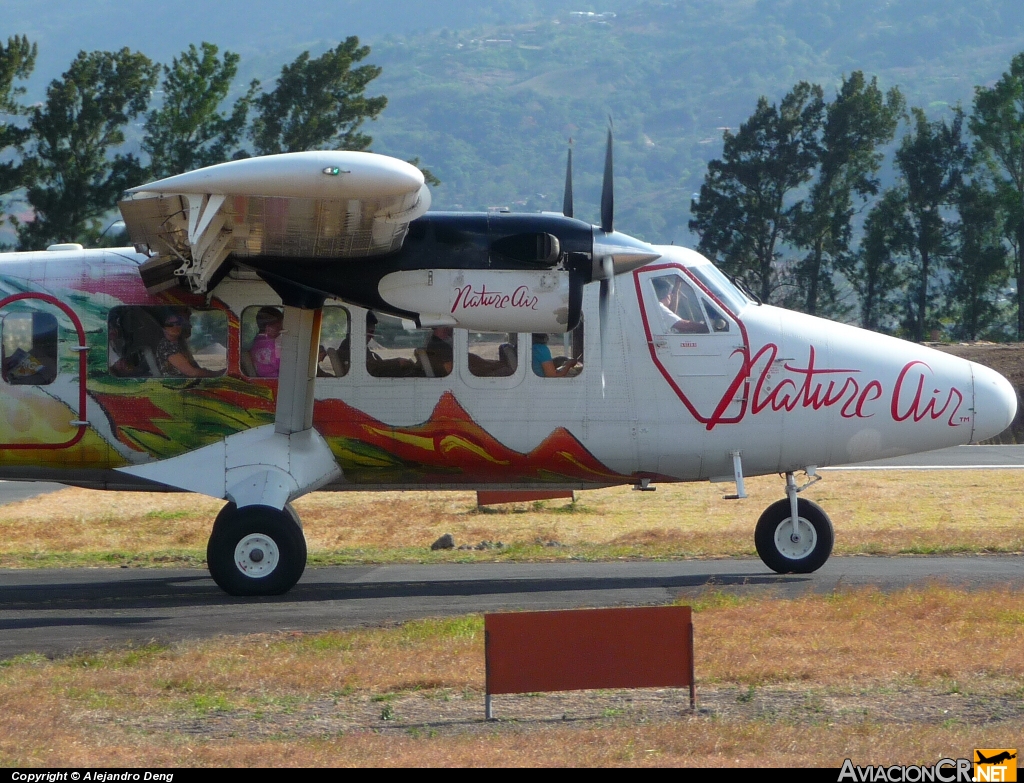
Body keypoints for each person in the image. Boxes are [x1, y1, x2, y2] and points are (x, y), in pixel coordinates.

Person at [156, 311, 219, 378]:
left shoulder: (180, 344)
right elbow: (192, 372)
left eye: (178, 323)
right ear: (163, 328)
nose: (175, 326)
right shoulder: (166, 346)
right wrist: (217, 374)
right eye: (170, 324)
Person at [365, 312, 419, 377]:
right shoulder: (353, 349)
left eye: (373, 333)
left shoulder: (366, 351)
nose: (372, 336)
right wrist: (399, 363)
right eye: (370, 332)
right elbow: (371, 368)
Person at [250, 307, 284, 377]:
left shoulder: (255, 340)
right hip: (274, 378)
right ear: (268, 328)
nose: (281, 330)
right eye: (278, 327)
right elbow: (280, 364)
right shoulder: (272, 344)